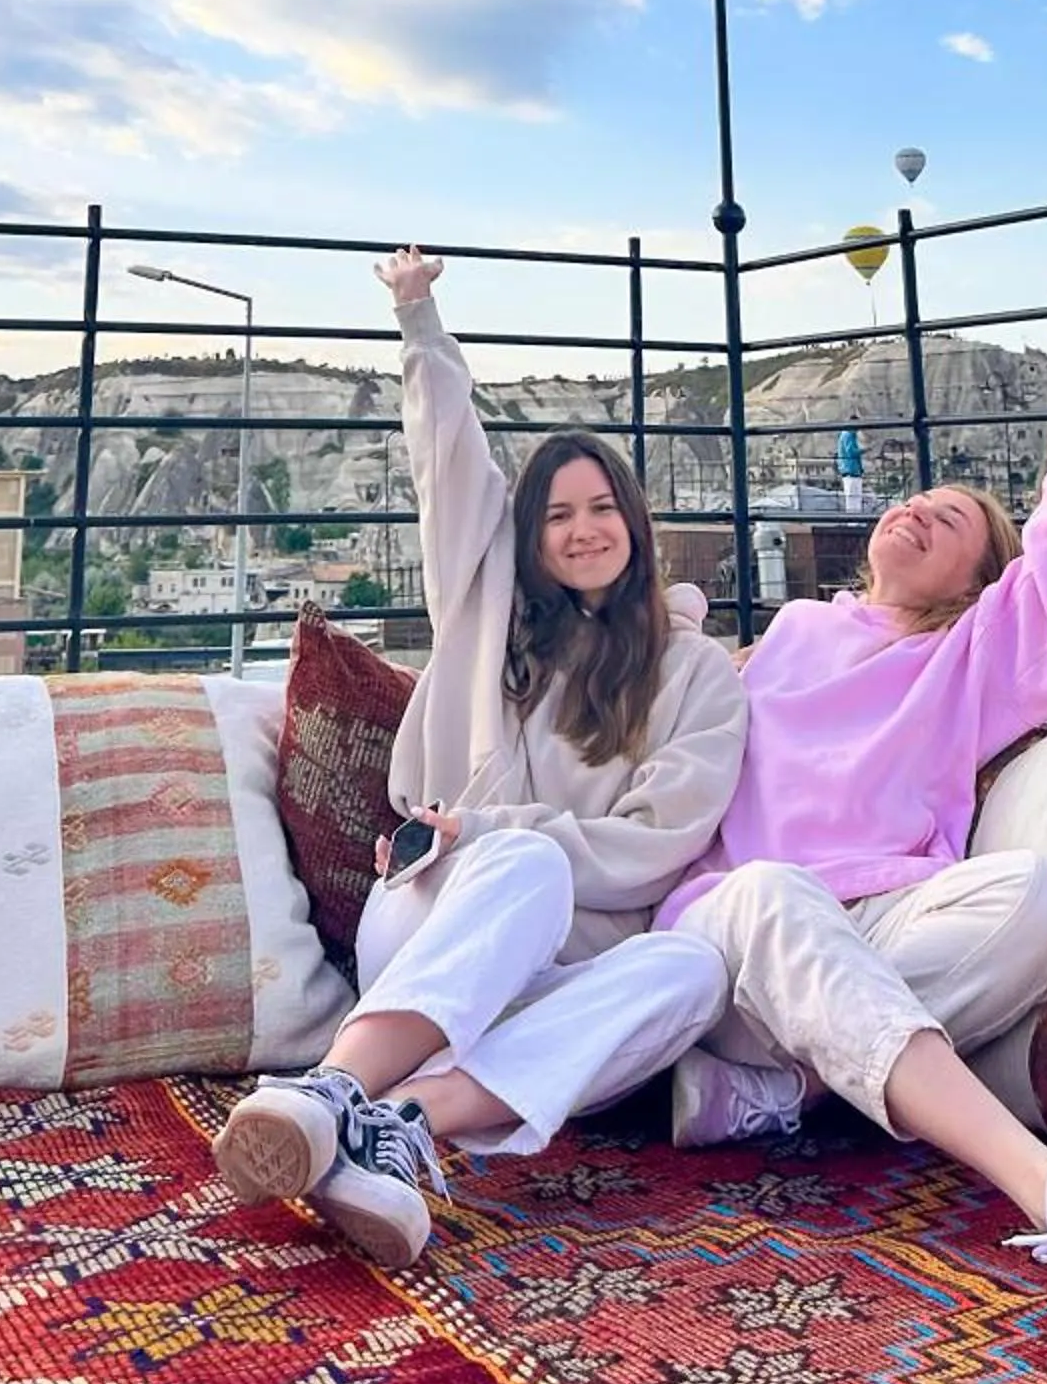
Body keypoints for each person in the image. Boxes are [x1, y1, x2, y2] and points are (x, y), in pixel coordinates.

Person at [659, 283, 1047, 1296]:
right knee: (771, 896)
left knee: (1042, 903)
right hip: (734, 939)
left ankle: (783, 1089)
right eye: (911, 499)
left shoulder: (970, 658)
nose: (915, 507)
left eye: (951, 516)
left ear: (978, 583)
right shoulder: (784, 635)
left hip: (882, 921)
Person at [213, 245, 746, 1268]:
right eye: (556, 515)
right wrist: (419, 321)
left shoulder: (696, 677)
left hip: (556, 968)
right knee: (527, 860)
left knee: (691, 967)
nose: (581, 531)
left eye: (600, 509)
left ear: (633, 522)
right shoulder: (485, 615)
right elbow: (449, 461)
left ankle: (391, 1127)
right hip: (431, 920)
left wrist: (498, 825)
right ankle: (333, 1085)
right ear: (526, 537)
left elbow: (654, 851)